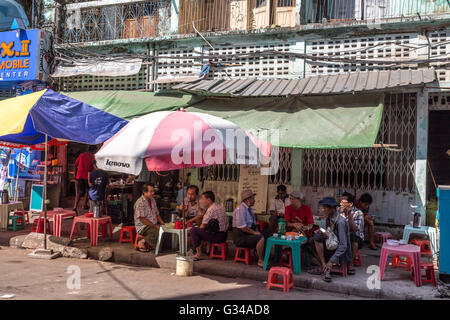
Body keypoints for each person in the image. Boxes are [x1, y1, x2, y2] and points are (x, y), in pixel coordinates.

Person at [307, 197, 352, 282]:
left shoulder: (340, 222)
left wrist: (331, 261)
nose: (323, 210)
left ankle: (326, 268)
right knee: (311, 241)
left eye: (325, 207)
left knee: (317, 239)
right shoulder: (329, 218)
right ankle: (324, 266)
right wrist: (323, 232)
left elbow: (343, 245)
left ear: (332, 208)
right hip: (332, 246)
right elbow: (331, 235)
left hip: (340, 252)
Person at [190, 191, 229, 261]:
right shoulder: (218, 206)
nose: (201, 201)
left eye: (202, 199)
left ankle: (198, 253)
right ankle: (203, 250)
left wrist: (197, 228)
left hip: (217, 236)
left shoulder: (211, 209)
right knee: (201, 230)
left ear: (208, 200)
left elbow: (202, 226)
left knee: (194, 230)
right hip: (224, 235)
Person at [232, 189, 265, 267]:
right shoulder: (240, 209)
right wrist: (255, 233)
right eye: (253, 198)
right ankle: (260, 260)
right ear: (248, 199)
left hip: (246, 234)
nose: (254, 200)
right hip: (240, 237)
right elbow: (243, 227)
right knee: (260, 238)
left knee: (266, 233)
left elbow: (253, 224)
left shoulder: (250, 209)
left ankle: (260, 254)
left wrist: (257, 231)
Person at [134, 184, 165, 252]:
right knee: (157, 232)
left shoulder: (153, 200)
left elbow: (157, 214)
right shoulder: (140, 202)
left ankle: (152, 244)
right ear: (144, 192)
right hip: (143, 226)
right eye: (151, 191)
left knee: (165, 231)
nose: (153, 193)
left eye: (153, 191)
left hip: (152, 225)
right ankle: (141, 242)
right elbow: (142, 219)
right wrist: (155, 226)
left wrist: (163, 223)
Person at [340, 192, 364, 274]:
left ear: (350, 204)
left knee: (353, 237)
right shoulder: (339, 211)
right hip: (343, 236)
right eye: (340, 201)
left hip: (356, 237)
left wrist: (349, 215)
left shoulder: (358, 213)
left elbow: (354, 229)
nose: (340, 204)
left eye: (343, 202)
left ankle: (350, 263)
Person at [73, 145, 96, 214]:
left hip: (79, 176)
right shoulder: (92, 157)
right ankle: (84, 205)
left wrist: (75, 175)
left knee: (79, 193)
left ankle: (75, 207)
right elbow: (93, 167)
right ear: (93, 150)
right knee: (88, 191)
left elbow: (75, 165)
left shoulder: (81, 155)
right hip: (87, 176)